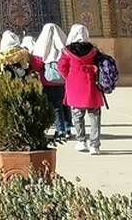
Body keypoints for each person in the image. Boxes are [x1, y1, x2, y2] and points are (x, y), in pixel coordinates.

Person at [57, 23, 105, 154]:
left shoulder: (67, 51)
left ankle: (81, 141)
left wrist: (71, 77)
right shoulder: (93, 50)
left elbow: (61, 67)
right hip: (91, 85)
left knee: (77, 115)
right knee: (94, 115)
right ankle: (94, 145)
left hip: (75, 86)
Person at [31, 23, 71, 140]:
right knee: (65, 104)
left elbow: (37, 63)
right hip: (63, 81)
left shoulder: (42, 46)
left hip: (48, 81)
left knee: (55, 106)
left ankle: (60, 130)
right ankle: (68, 127)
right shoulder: (65, 47)